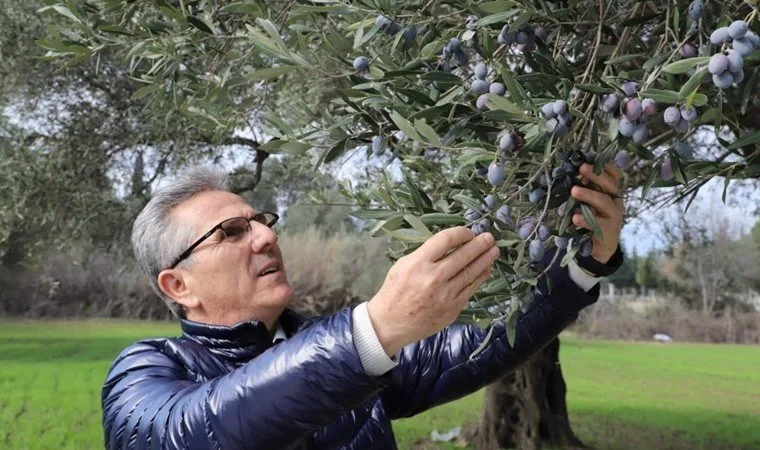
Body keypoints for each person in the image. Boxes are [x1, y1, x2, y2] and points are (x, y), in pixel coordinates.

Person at [103, 163, 624, 450]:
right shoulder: (146, 373)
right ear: (178, 285)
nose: (265, 236)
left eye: (261, 220)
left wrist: (584, 267)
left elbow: (473, 348)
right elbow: (193, 434)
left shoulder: (350, 354)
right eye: (232, 232)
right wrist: (371, 330)